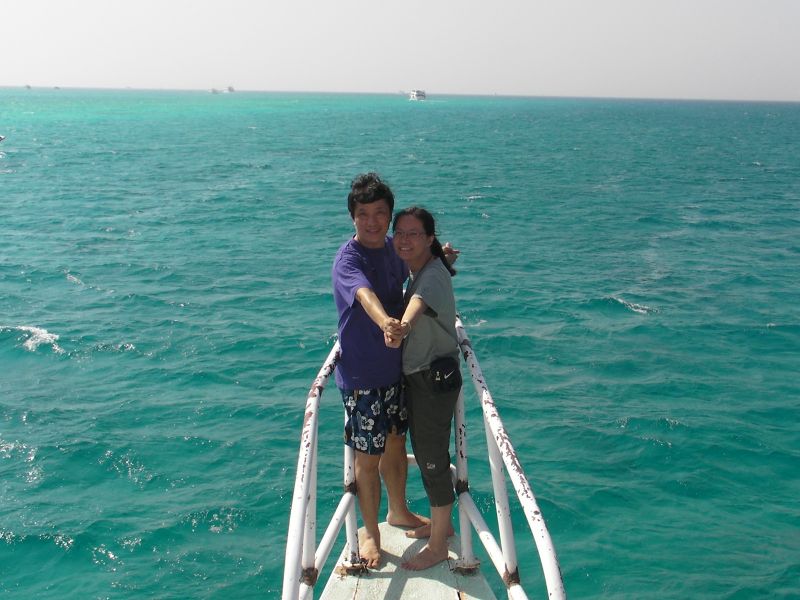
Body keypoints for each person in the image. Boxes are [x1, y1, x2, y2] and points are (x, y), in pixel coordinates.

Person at [331, 173, 428, 569]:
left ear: (389, 216)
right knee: (367, 458)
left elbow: (412, 266)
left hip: (395, 370)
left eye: (379, 213)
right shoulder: (348, 259)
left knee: (395, 443)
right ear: (352, 217)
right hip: (363, 378)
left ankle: (398, 510)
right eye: (363, 214)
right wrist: (387, 321)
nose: (372, 221)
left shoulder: (392, 248)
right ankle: (370, 532)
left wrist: (442, 256)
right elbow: (364, 294)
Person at [385, 206, 462, 571]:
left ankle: (438, 545)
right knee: (427, 453)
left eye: (414, 234)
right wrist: (444, 257)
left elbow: (419, 302)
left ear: (429, 238)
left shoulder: (430, 276)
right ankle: (442, 527)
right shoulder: (428, 266)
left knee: (432, 460)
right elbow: (433, 272)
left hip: (432, 380)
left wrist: (401, 327)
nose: (404, 240)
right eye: (399, 233)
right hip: (422, 376)